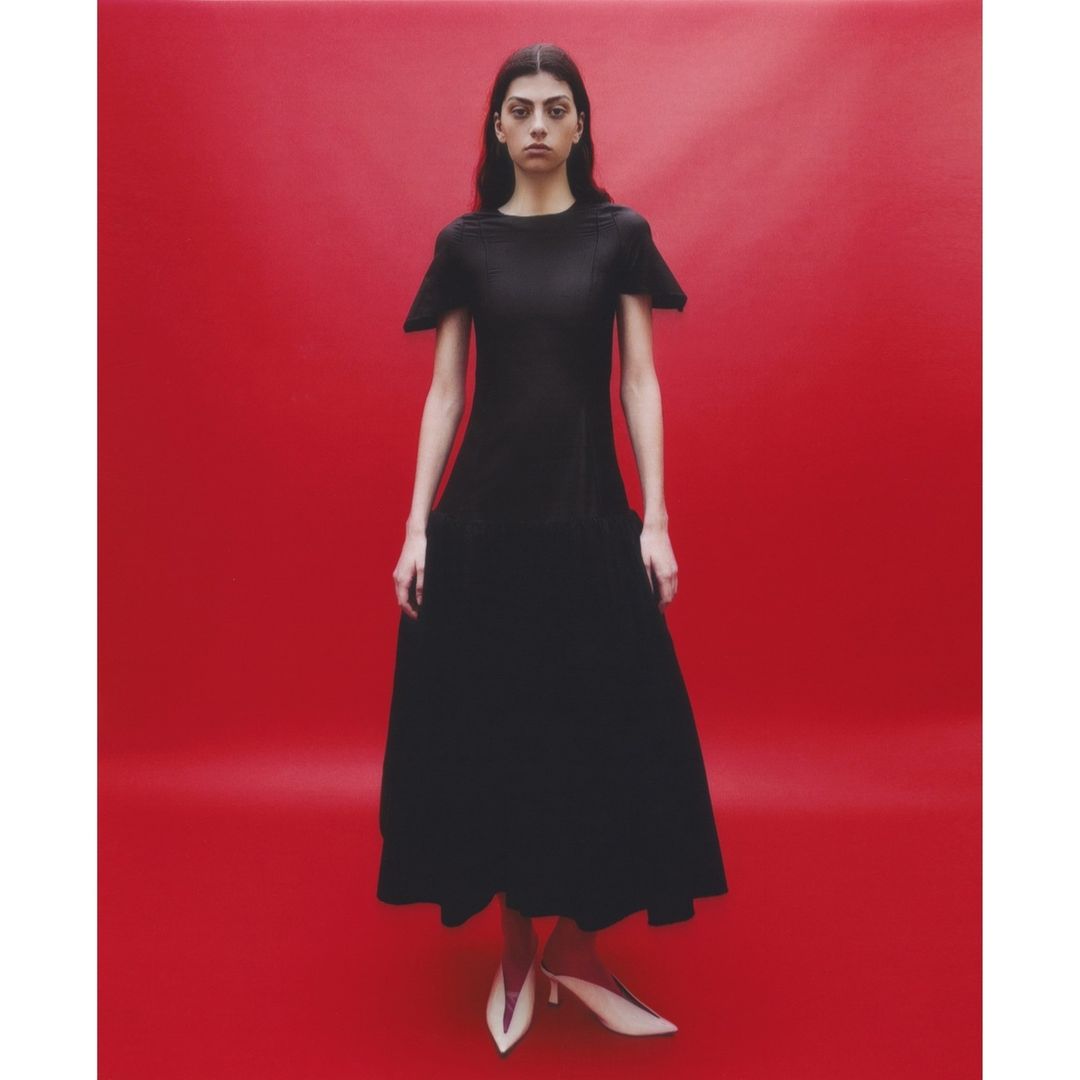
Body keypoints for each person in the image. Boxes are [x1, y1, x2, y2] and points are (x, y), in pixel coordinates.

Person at [376, 43, 729, 1055]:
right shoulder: (465, 244)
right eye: (521, 108)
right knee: (499, 736)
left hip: (587, 523)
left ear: (580, 126)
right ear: (498, 127)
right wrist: (416, 529)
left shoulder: (620, 236)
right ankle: (515, 950)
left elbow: (638, 381)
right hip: (482, 532)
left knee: (601, 734)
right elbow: (446, 391)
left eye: (556, 108)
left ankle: (576, 951)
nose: (537, 124)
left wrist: (656, 519)